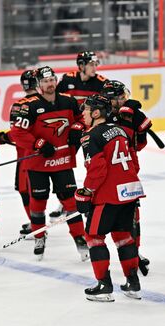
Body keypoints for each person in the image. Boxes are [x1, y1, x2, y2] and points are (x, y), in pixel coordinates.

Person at [9, 66, 88, 261]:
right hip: (38, 164)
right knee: (38, 203)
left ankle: (80, 238)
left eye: (52, 80)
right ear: (38, 85)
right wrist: (37, 143)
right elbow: (17, 133)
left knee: (71, 202)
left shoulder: (68, 101)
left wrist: (78, 128)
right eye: (45, 82)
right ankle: (39, 237)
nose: (49, 84)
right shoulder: (28, 106)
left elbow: (84, 118)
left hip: (62, 162)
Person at [76, 94, 145, 302]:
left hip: (108, 195)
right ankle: (133, 284)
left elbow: (97, 169)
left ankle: (104, 286)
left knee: (94, 237)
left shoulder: (90, 136)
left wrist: (86, 192)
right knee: (124, 236)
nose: (83, 114)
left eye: (86, 110)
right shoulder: (121, 131)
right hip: (130, 191)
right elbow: (135, 163)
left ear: (96, 113)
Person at [101, 79, 153, 275]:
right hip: (107, 174)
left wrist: (139, 126)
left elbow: (137, 145)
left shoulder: (128, 113)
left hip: (129, 172)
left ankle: (134, 253)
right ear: (110, 100)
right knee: (110, 219)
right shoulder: (102, 115)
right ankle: (103, 255)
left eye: (125, 96)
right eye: (121, 97)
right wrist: (128, 119)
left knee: (133, 217)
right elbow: (120, 136)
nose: (125, 100)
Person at [51, 51, 108, 219]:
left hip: (91, 130)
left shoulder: (101, 83)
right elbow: (56, 101)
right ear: (81, 66)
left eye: (96, 64)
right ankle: (65, 201)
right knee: (64, 163)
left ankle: (91, 194)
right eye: (91, 64)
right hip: (68, 129)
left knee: (93, 163)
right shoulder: (67, 79)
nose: (95, 68)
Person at [0, 69, 39, 238]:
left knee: (25, 190)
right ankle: (37, 221)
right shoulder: (49, 101)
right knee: (38, 191)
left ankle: (36, 223)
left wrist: (2, 137)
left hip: (26, 156)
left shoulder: (20, 105)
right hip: (46, 153)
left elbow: (17, 133)